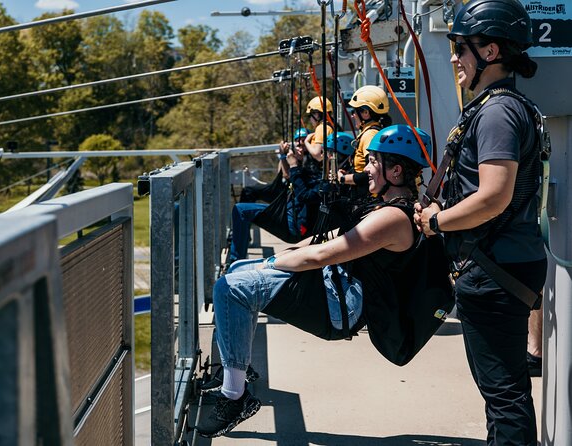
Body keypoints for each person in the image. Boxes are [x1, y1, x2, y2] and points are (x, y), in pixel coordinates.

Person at [197, 125, 431, 438]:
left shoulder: (391, 218)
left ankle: (234, 396)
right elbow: (328, 239)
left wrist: (272, 261)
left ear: (396, 170)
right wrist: (282, 257)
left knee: (230, 288)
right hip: (337, 287)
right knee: (238, 269)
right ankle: (236, 370)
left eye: (374, 162)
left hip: (342, 307)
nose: (365, 169)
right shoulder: (384, 208)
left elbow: (322, 256)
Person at [414, 1, 545, 444]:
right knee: (505, 391)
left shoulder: (496, 113)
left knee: (504, 394)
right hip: (505, 264)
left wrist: (437, 221)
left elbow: (493, 195)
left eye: (460, 49)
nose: (454, 59)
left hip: (493, 272)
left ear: (490, 52)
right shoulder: (507, 107)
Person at [226, 128, 321, 264]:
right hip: (288, 211)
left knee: (241, 210)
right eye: (297, 143)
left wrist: (294, 164)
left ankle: (235, 262)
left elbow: (292, 179)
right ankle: (239, 251)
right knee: (245, 200)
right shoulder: (302, 163)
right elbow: (284, 175)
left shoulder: (310, 166)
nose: (300, 147)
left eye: (304, 143)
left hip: (292, 224)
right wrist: (284, 157)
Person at [338, 85, 392, 187]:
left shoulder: (369, 135)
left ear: (366, 113)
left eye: (354, 111)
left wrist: (343, 179)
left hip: (367, 197)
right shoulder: (372, 132)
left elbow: (372, 173)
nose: (352, 115)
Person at [239, 128, 310, 204]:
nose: (301, 145)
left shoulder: (310, 158)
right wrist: (284, 155)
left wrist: (287, 158)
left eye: (303, 141)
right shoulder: (292, 154)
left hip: (288, 191)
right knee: (248, 191)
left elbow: (287, 175)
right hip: (278, 186)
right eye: (298, 142)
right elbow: (280, 173)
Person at [303, 96, 335, 161]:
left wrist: (306, 142)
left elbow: (317, 155)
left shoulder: (321, 128)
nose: (310, 119)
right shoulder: (331, 125)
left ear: (316, 114)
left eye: (310, 116)